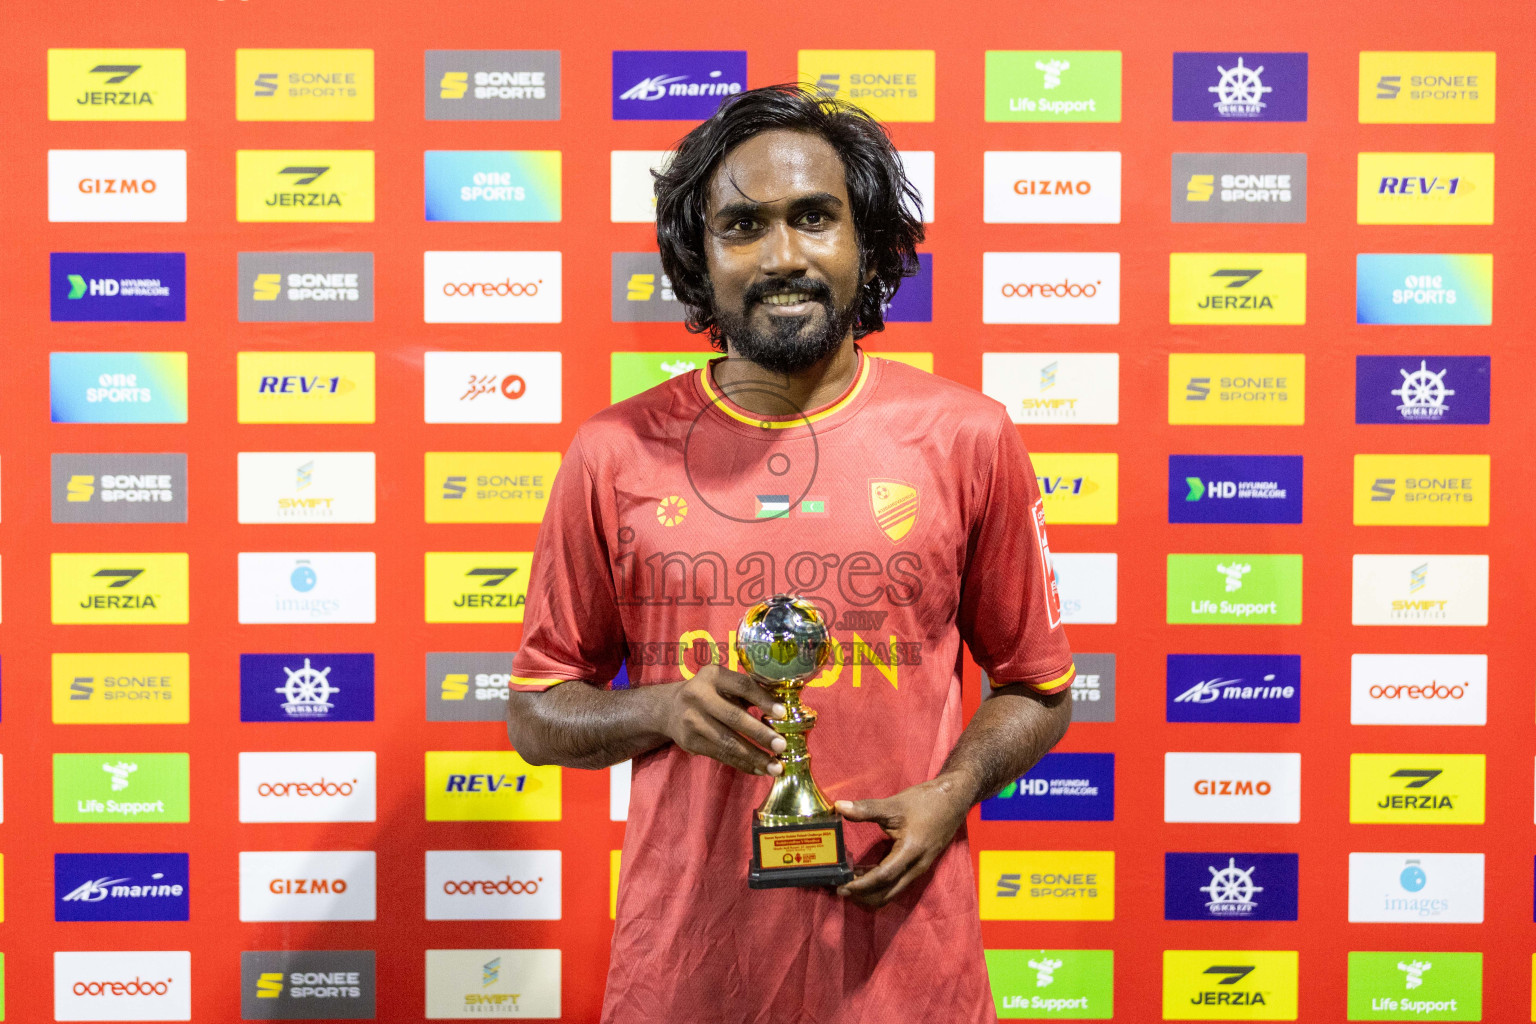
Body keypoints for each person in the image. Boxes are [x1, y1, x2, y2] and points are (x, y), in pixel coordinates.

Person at [505, 83, 1075, 1024]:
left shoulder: (967, 435)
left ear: (868, 242)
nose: (784, 257)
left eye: (816, 218)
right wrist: (661, 710)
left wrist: (955, 790)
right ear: (699, 256)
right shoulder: (612, 453)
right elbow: (536, 715)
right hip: (687, 974)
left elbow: (1038, 685)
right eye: (743, 226)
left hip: (904, 972)